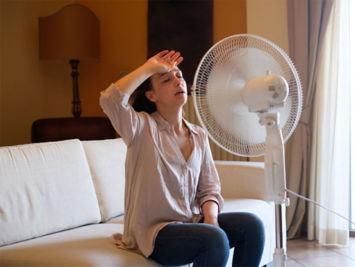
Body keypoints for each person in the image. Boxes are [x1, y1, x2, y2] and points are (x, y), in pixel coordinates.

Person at [99, 50, 265, 267]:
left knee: (252, 226)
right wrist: (149, 68)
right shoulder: (140, 128)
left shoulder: (198, 135)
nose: (178, 81)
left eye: (179, 76)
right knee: (214, 240)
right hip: (154, 234)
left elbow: (209, 189)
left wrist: (211, 220)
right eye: (166, 79)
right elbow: (110, 100)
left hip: (191, 223)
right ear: (152, 96)